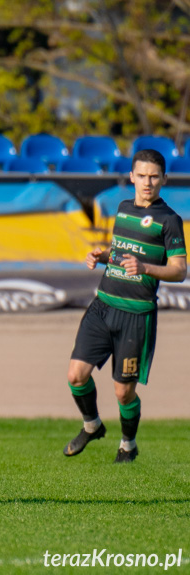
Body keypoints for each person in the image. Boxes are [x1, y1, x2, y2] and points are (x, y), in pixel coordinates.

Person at [64, 149, 186, 463]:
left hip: (136, 315)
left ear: (163, 180)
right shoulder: (122, 208)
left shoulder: (169, 220)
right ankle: (91, 425)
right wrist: (102, 255)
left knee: (123, 392)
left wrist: (146, 268)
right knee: (76, 375)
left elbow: (179, 269)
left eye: (154, 176)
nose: (147, 182)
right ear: (131, 176)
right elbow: (121, 252)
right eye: (142, 175)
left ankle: (128, 444)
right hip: (103, 305)